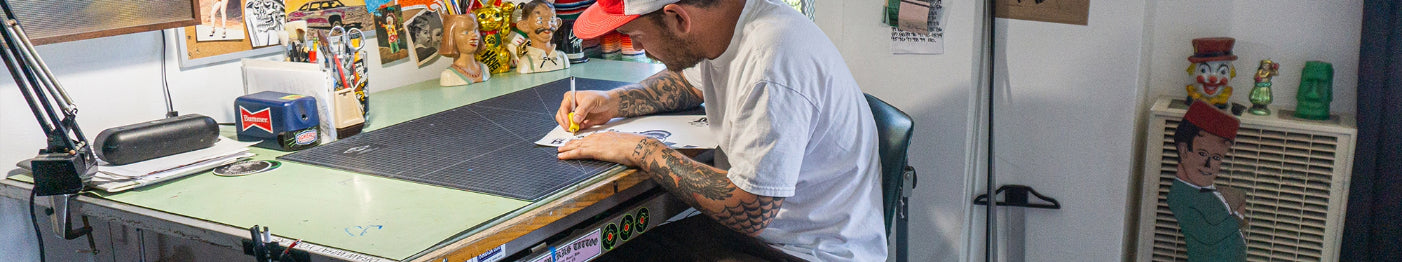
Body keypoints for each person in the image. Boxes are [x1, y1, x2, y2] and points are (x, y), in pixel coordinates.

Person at [555, 0, 887, 260]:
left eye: (637, 37)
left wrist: (641, 150)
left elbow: (749, 210)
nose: (639, 49)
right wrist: (612, 101)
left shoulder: (769, 65)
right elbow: (689, 83)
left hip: (806, 251)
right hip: (772, 235)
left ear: (678, 19)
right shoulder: (727, 24)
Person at [1167, 100, 1246, 261]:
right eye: (1202, 154)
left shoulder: (1201, 189)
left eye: (1216, 158)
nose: (1208, 165)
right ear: (1183, 150)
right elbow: (1209, 235)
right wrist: (1238, 215)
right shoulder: (1180, 195)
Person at [509, 0, 569, 73]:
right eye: (540, 21)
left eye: (552, 20)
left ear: (558, 23)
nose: (548, 26)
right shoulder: (526, 63)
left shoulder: (563, 59)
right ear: (524, 26)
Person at [439, 14, 490, 86]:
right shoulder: (448, 75)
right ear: (451, 36)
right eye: (466, 32)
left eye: (475, 30)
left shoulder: (484, 69)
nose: (474, 35)